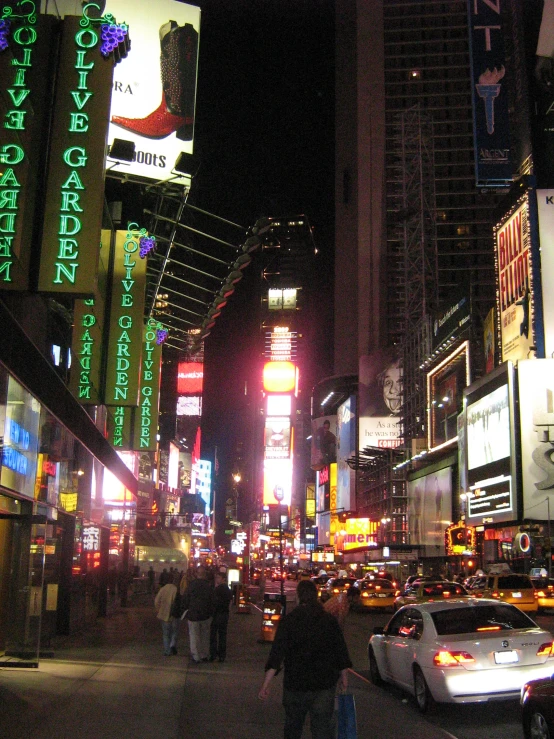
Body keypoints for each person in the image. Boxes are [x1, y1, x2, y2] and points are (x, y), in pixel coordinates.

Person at [258, 579, 352, 739]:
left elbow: (277, 655)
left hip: (296, 684)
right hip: (324, 684)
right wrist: (344, 676)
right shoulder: (329, 620)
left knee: (293, 727)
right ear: (316, 596)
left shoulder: (289, 621)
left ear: (298, 596)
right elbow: (340, 650)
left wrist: (266, 684)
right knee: (322, 728)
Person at [182, 565, 214, 663]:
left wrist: (186, 609)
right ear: (205, 575)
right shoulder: (208, 586)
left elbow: (185, 599)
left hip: (193, 615)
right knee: (205, 636)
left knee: (194, 636)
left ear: (196, 574)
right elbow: (213, 601)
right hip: (206, 615)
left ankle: (196, 656)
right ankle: (204, 655)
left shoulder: (191, 585)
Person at [154, 572, 179, 656]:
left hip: (164, 614)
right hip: (174, 614)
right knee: (174, 632)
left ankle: (167, 650)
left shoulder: (163, 589)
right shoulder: (175, 589)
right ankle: (172, 645)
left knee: (165, 633)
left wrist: (159, 610)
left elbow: (157, 601)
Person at [209, 572, 233, 662]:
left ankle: (213, 654)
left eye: (218, 577)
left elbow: (213, 602)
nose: (216, 579)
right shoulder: (228, 589)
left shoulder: (217, 589)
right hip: (224, 614)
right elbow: (230, 602)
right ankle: (222, 655)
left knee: (213, 635)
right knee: (222, 635)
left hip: (217, 614)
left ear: (223, 579)